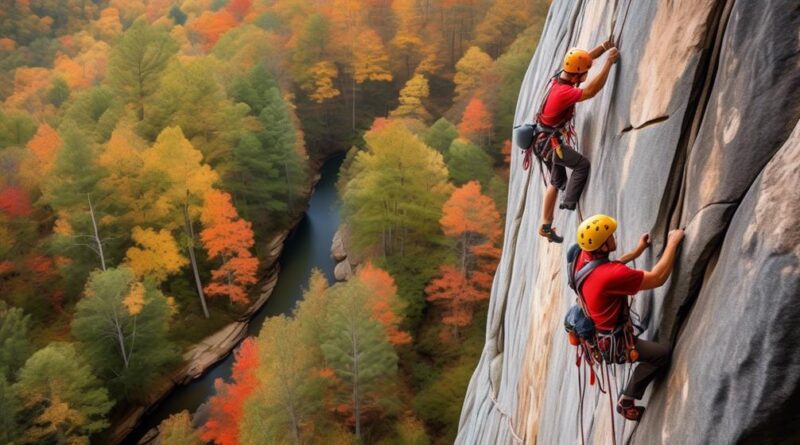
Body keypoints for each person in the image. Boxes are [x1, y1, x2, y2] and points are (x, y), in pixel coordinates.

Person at [572, 214, 684, 421]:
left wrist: (636, 251)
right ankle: (627, 400)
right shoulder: (609, 275)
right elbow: (658, 278)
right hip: (616, 343)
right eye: (610, 236)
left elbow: (606, 269)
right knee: (661, 354)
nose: (614, 236)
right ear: (603, 247)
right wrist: (673, 242)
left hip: (595, 333)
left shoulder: (581, 257)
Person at [537, 41, 620, 243]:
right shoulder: (563, 93)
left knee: (555, 181)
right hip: (550, 144)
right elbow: (590, 91)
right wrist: (608, 63)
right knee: (581, 165)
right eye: (583, 75)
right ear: (575, 76)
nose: (585, 76)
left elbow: (580, 62)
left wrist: (602, 48)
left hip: (542, 140)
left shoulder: (561, 77)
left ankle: (545, 226)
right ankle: (569, 202)